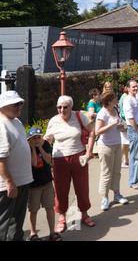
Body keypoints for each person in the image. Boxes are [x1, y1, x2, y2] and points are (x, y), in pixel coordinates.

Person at [44, 95, 96, 233]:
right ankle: (62, 217)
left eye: (65, 107)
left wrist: (89, 151)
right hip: (60, 159)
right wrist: (36, 145)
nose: (62, 110)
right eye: (59, 107)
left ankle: (84, 214)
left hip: (79, 156)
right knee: (60, 189)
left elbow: (91, 131)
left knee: (82, 187)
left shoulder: (79, 116)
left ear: (71, 107)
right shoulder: (54, 121)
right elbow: (47, 140)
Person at [0, 91, 33, 241]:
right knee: (3, 222)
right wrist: (9, 182)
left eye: (20, 103)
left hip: (21, 181)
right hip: (9, 184)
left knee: (17, 221)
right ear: (3, 106)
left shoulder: (16, 121)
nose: (19, 106)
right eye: (15, 104)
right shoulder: (1, 125)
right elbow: (1, 158)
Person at [95, 91, 129, 210]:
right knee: (106, 172)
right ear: (109, 101)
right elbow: (97, 131)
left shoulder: (115, 110)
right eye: (114, 97)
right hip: (106, 146)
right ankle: (104, 198)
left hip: (116, 144)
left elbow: (117, 125)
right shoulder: (102, 113)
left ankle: (117, 194)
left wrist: (119, 127)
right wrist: (111, 124)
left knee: (116, 171)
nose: (117, 99)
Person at [26, 127, 61, 241]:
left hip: (46, 182)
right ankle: (33, 233)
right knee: (33, 210)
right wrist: (32, 148)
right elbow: (34, 163)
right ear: (29, 139)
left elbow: (47, 160)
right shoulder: (27, 148)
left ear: (42, 137)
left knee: (49, 207)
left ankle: (52, 231)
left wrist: (40, 147)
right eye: (33, 138)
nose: (36, 140)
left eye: (38, 138)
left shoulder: (45, 145)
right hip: (34, 185)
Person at [123, 80, 138, 189]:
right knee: (134, 156)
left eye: (136, 86)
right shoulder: (128, 100)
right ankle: (132, 181)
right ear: (128, 88)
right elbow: (130, 117)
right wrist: (136, 129)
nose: (135, 88)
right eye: (133, 87)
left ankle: (137, 177)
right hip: (134, 129)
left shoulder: (136, 97)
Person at [119, 86, 129, 168]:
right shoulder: (125, 97)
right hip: (125, 121)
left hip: (124, 121)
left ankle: (126, 159)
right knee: (124, 142)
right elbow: (125, 111)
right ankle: (121, 160)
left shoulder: (123, 96)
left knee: (126, 143)